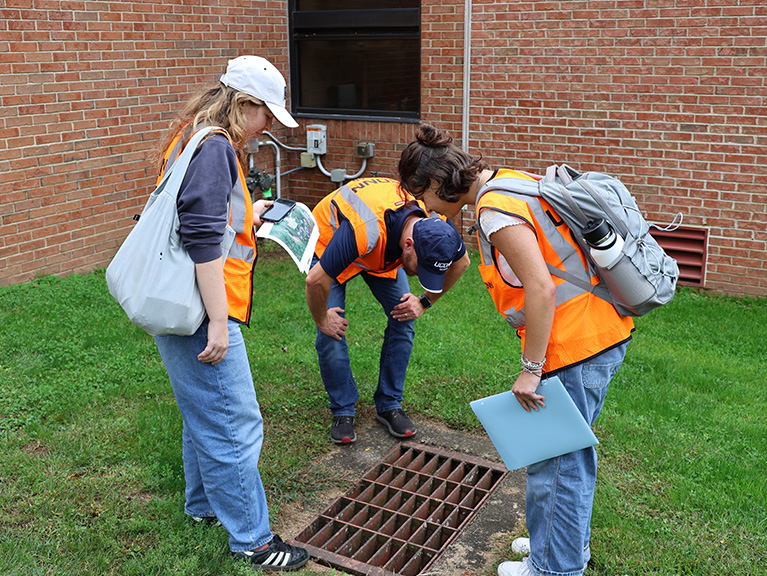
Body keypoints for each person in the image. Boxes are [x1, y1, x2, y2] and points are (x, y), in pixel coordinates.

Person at [397, 124, 634, 576]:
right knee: (563, 457)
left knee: (559, 464)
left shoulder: (493, 211)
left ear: (434, 182)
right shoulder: (511, 181)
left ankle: (555, 568)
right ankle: (555, 546)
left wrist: (531, 369)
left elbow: (541, 290)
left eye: (423, 197)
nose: (427, 209)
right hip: (597, 332)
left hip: (574, 347)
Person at [151, 55, 309, 572]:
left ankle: (202, 507)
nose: (268, 129)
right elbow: (201, 238)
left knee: (203, 410)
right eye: (266, 115)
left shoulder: (193, 134)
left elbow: (202, 212)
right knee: (235, 423)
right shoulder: (217, 147)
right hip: (203, 309)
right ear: (243, 105)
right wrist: (219, 322)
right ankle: (254, 541)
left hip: (181, 305)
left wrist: (249, 211)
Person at [306, 177, 470, 445]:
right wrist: (322, 319)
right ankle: (343, 409)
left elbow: (462, 262)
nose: (419, 275)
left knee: (404, 318)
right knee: (331, 331)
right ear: (409, 244)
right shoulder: (366, 229)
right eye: (421, 267)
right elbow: (315, 280)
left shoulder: (435, 223)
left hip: (381, 252)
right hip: (330, 242)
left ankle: (389, 403)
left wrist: (424, 301)